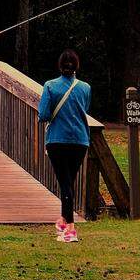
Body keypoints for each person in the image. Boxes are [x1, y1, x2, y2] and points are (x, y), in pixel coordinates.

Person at [38, 48, 92, 243]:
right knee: (68, 182)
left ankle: (70, 229)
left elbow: (43, 115)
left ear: (60, 66)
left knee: (65, 183)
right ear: (76, 67)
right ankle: (62, 220)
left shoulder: (50, 86)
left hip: (57, 140)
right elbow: (84, 109)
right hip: (80, 140)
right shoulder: (85, 87)